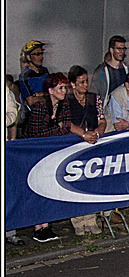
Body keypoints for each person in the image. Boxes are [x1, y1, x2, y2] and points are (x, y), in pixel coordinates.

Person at [25, 72, 94, 242]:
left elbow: (67, 125)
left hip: (51, 153)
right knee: (37, 189)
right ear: (50, 90)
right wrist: (59, 128)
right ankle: (37, 226)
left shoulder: (64, 107)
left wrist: (68, 129)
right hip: (34, 153)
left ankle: (46, 225)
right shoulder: (41, 108)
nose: (64, 91)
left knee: (47, 187)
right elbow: (35, 134)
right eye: (60, 88)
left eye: (65, 87)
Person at [65, 65, 106, 235]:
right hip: (74, 144)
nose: (85, 85)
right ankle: (78, 220)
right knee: (75, 182)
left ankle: (91, 218)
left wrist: (96, 133)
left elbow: (102, 120)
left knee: (90, 181)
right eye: (81, 82)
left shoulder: (94, 98)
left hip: (92, 144)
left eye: (86, 81)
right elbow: (66, 123)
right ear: (73, 84)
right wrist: (83, 135)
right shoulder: (66, 100)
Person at [91, 35, 129, 108]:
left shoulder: (127, 69)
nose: (122, 52)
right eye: (119, 49)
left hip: (124, 111)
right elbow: (95, 94)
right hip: (107, 111)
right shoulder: (102, 71)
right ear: (111, 50)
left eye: (123, 49)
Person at [18, 40, 50, 124]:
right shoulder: (25, 76)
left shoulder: (45, 71)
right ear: (28, 57)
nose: (41, 57)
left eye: (41, 54)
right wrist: (46, 96)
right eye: (37, 54)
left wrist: (39, 95)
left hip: (48, 114)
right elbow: (30, 101)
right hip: (33, 118)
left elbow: (53, 92)